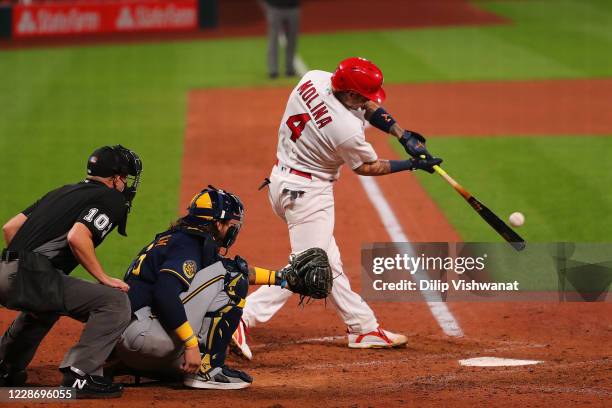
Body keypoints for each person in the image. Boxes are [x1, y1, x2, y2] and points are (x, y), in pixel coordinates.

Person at [231, 57, 442, 359]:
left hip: (282, 181)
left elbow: (364, 105)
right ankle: (240, 317)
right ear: (352, 95)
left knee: (328, 262)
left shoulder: (314, 78)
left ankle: (363, 327)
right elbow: (368, 166)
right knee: (308, 269)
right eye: (365, 95)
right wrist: (411, 164)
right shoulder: (345, 130)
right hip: (308, 196)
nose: (369, 101)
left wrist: (401, 133)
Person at [112, 186, 330, 390]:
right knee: (234, 281)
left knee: (230, 274)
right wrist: (190, 345)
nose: (232, 230)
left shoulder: (180, 238)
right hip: (145, 340)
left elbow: (226, 269)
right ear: (217, 223)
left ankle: (145, 365)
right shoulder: (187, 246)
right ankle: (207, 370)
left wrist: (282, 279)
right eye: (230, 224)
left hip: (127, 342)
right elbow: (165, 293)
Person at [0, 145, 142, 398]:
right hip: (31, 274)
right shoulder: (111, 199)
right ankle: (80, 375)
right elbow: (78, 236)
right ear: (116, 177)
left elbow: (10, 228)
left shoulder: (62, 191)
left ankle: (5, 367)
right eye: (126, 178)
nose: (126, 184)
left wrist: (22, 267)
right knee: (115, 301)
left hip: (4, 269)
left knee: (44, 305)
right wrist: (103, 278)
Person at [261, 0, 300, 79]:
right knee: (273, 39)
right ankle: (273, 71)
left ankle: (290, 69)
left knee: (292, 39)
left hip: (293, 7)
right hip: (274, 7)